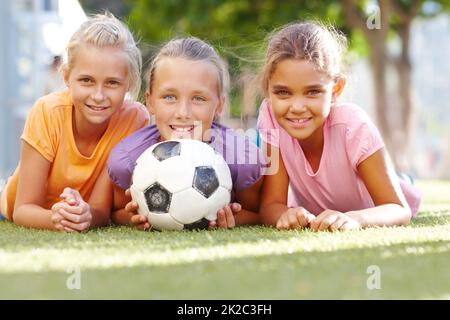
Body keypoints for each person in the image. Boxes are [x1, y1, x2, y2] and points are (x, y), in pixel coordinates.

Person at [257, 22, 421, 231]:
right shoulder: (270, 116)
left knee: (399, 185)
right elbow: (270, 205)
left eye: (313, 92)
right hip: (322, 210)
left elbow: (398, 208)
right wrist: (286, 214)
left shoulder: (353, 126)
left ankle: (403, 181)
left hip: (376, 205)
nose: (297, 107)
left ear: (336, 89)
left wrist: (355, 219)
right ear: (267, 89)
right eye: (282, 93)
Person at [0, 13, 149, 231]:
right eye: (86, 80)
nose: (98, 95)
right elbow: (23, 209)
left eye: (112, 83)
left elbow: (101, 211)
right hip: (11, 214)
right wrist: (57, 217)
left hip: (80, 212)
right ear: (67, 77)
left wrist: (85, 216)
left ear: (129, 83)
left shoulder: (135, 120)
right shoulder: (47, 112)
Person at [108, 37, 264, 230]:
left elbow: (258, 212)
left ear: (219, 105)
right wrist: (136, 216)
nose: (183, 113)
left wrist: (228, 219)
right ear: (150, 101)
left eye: (198, 98)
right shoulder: (129, 159)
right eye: (170, 97)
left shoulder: (241, 158)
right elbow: (114, 211)